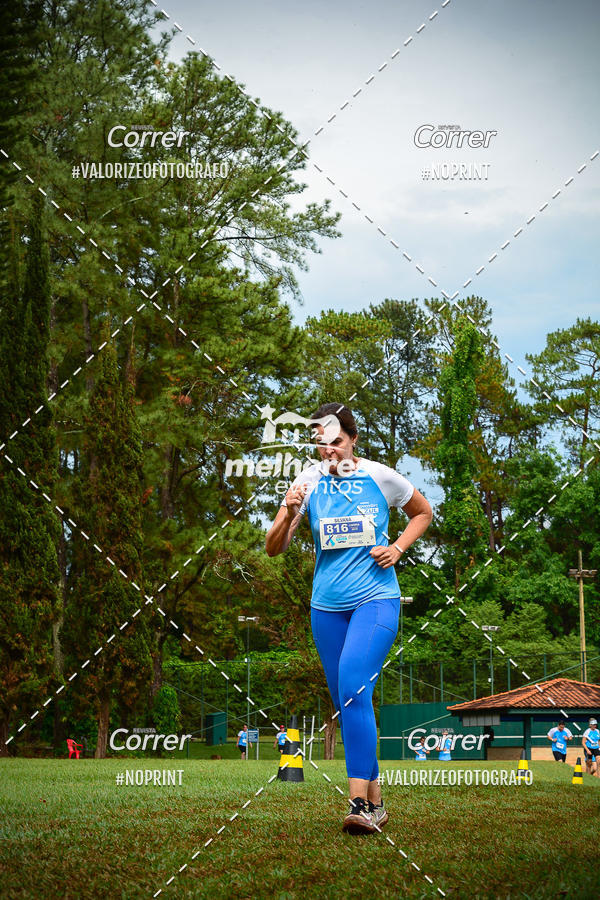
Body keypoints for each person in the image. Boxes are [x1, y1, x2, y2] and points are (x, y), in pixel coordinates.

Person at [265, 403, 432, 835]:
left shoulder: (381, 476)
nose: (330, 451)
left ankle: (359, 804)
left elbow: (423, 512)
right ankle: (376, 802)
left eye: (337, 441)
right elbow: (273, 547)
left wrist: (397, 548)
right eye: (322, 444)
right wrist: (288, 512)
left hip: (376, 600)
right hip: (326, 609)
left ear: (353, 439)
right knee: (349, 700)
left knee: (354, 685)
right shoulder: (306, 482)